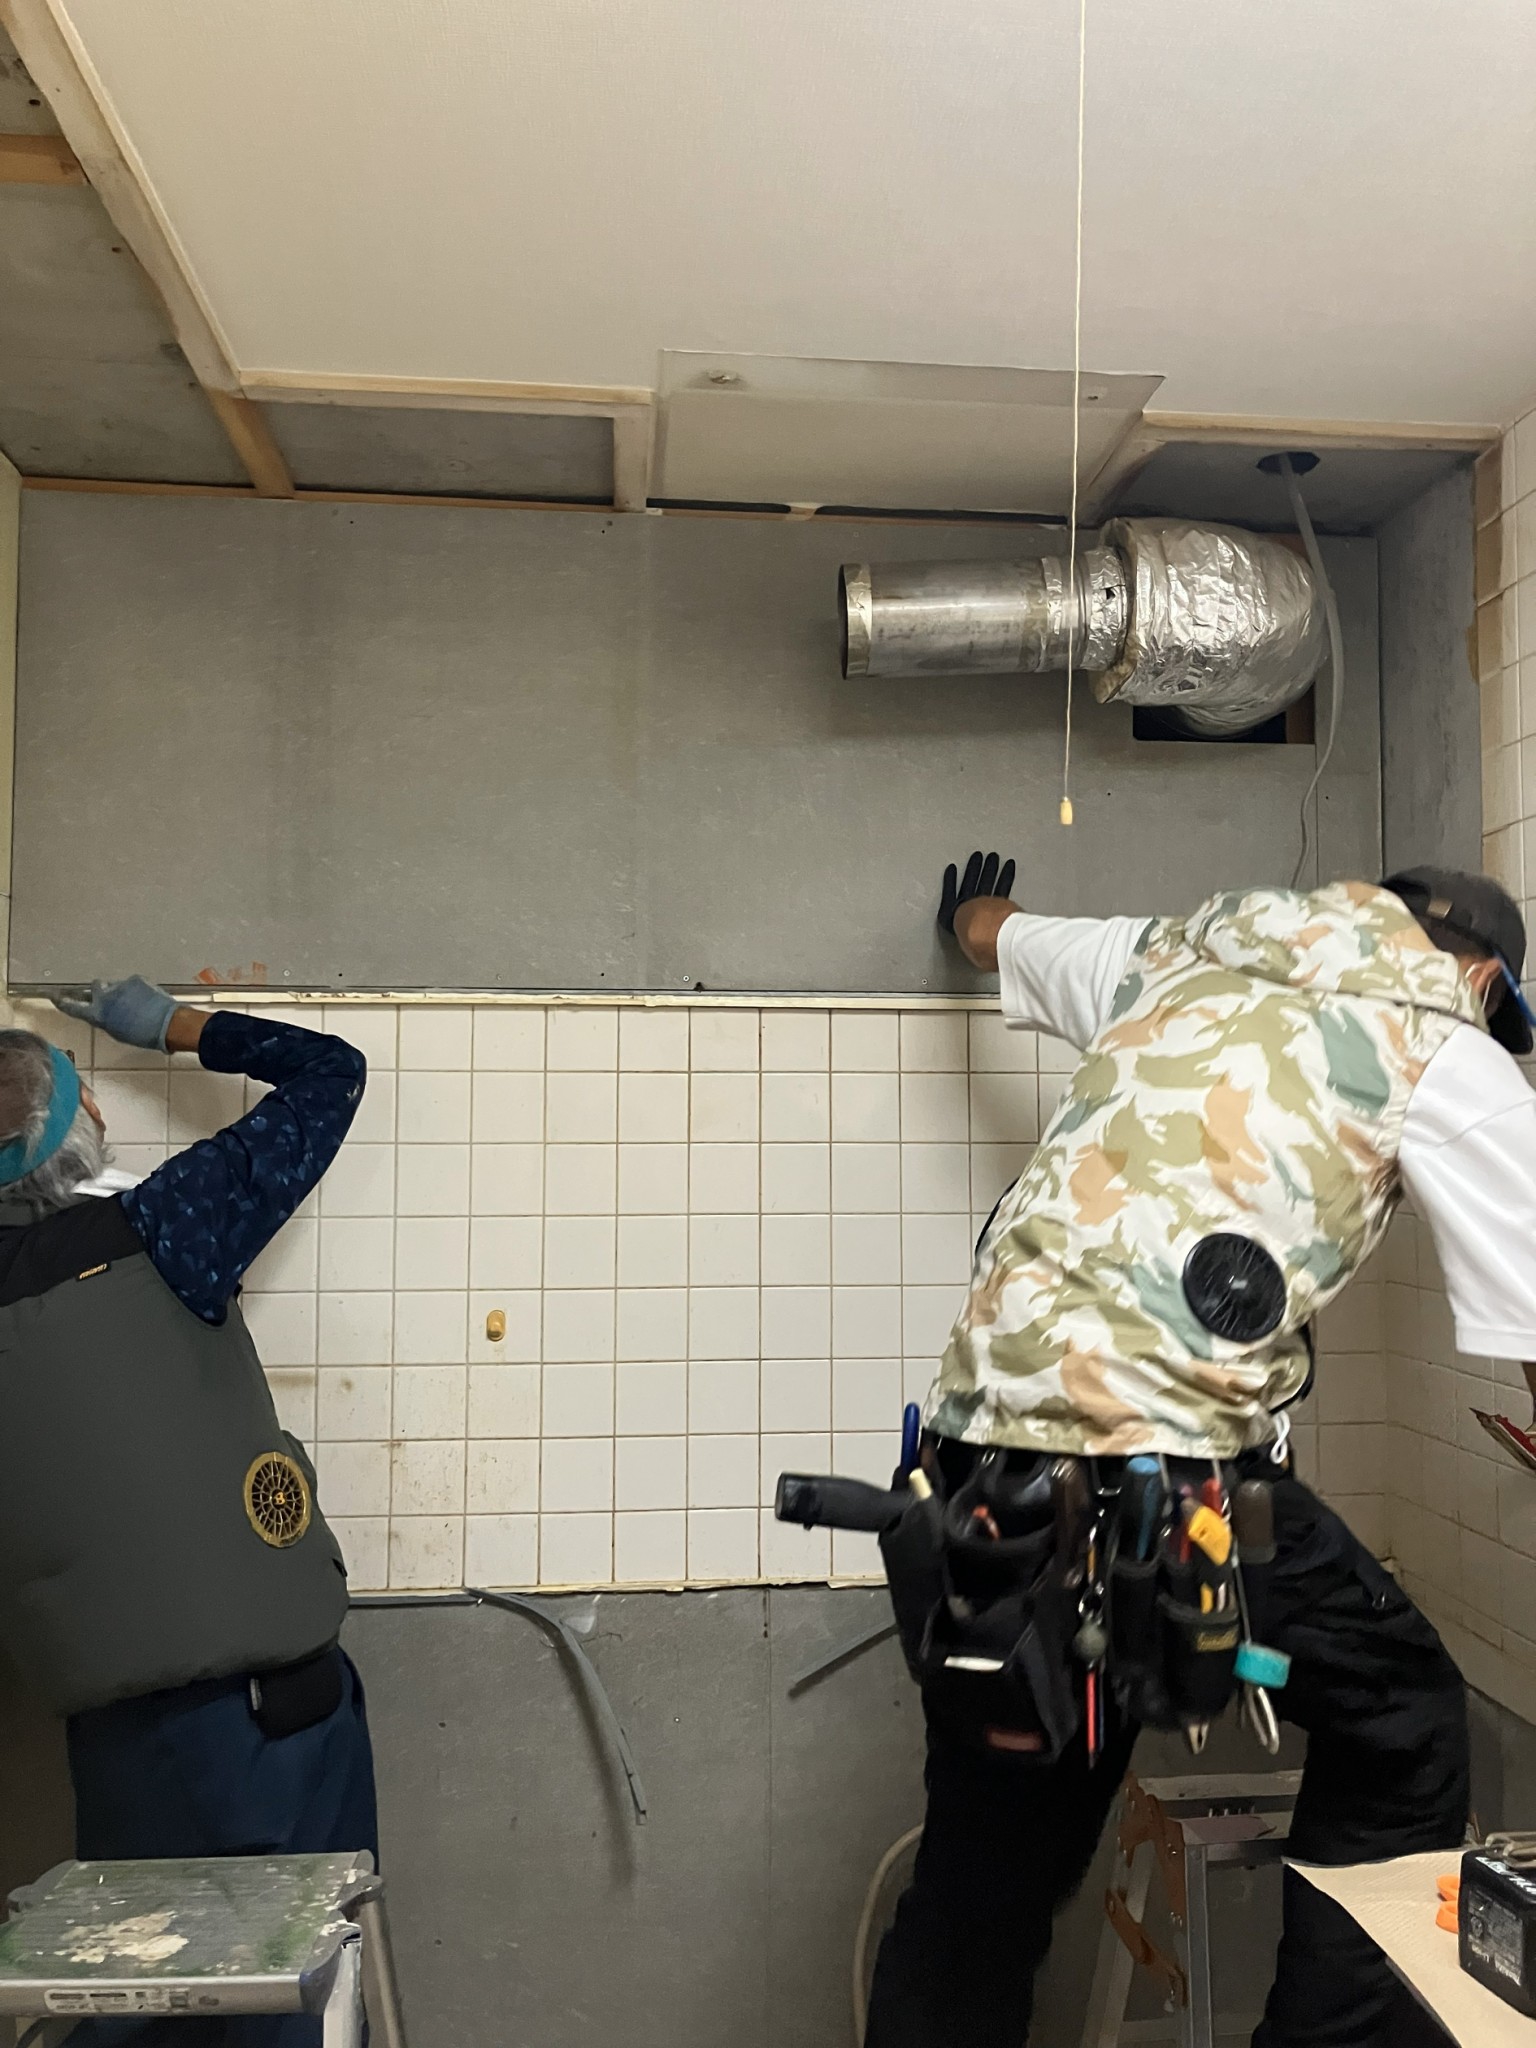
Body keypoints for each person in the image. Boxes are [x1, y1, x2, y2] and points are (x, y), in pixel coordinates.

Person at [865, 858, 1536, 2048]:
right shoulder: (1446, 1041)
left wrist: (967, 915)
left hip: (973, 1467)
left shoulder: (1171, 953)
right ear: (1484, 976)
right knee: (1406, 1715)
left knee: (985, 1884)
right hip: (1165, 1477)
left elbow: (1001, 934)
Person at [0, 976, 375, 2047]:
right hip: (268, 1718)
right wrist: (170, 1023)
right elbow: (332, 1073)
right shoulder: (164, 1229)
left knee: (165, 2008)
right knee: (281, 2010)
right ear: (76, 1130)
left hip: (133, 1741)